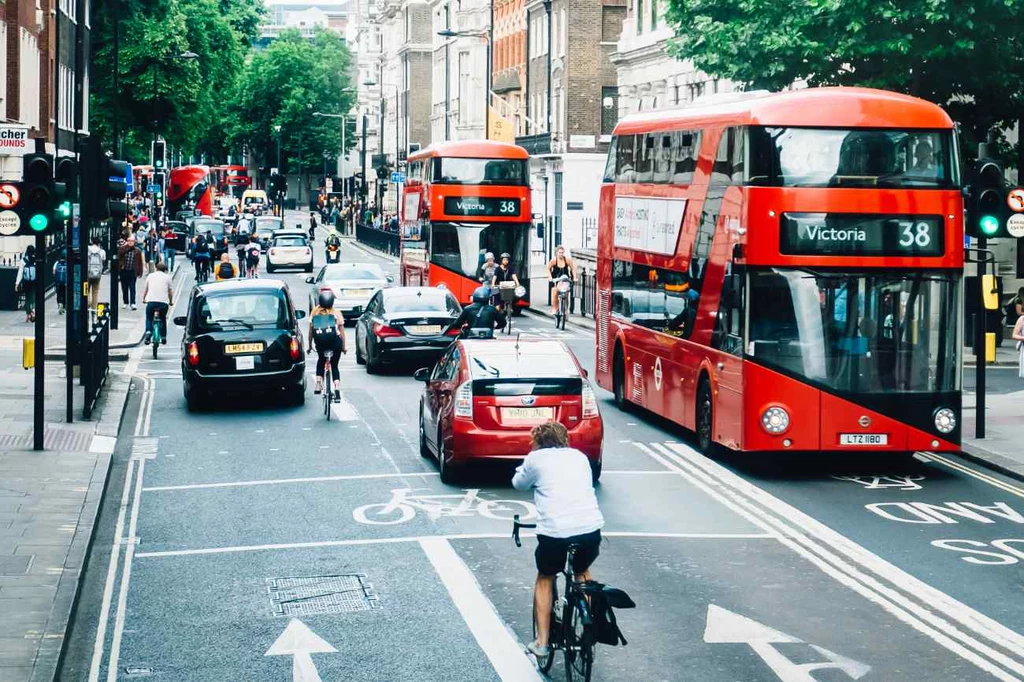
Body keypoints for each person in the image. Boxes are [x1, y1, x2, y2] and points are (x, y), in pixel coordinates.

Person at [512, 421, 604, 659]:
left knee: (545, 576)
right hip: (590, 529)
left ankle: (542, 642)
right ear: (565, 439)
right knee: (582, 570)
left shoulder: (536, 459)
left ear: (537, 442)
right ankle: (590, 623)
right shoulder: (580, 457)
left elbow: (518, 484)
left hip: (554, 533)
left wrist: (527, 465)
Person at [308, 290, 347, 398]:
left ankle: (319, 383)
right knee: (334, 365)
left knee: (321, 361)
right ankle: (337, 387)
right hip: (335, 343)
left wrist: (309, 346)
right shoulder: (336, 313)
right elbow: (342, 332)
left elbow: (311, 332)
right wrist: (343, 347)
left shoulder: (314, 313)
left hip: (321, 344)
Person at [142, 262, 174, 345]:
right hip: (163, 304)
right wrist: (170, 301)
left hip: (151, 302)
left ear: (156, 268)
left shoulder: (150, 276)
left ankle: (148, 332)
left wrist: (144, 299)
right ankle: (163, 337)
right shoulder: (168, 277)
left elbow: (146, 289)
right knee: (163, 318)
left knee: (149, 317)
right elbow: (170, 292)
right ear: (165, 270)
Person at [546, 246, 576, 315]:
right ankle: (555, 309)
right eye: (560, 252)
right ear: (556, 253)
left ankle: (566, 309)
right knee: (555, 292)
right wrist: (550, 277)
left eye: (562, 252)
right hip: (556, 279)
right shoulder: (554, 260)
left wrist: (574, 277)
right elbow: (548, 268)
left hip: (565, 279)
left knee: (566, 294)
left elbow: (573, 268)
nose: (561, 254)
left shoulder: (567, 260)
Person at [117, 238, 143, 310]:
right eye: (129, 241)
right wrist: (119, 269)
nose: (130, 242)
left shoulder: (138, 251)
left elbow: (140, 262)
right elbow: (118, 259)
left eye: (132, 241)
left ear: (134, 242)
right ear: (127, 242)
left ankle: (133, 303)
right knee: (124, 288)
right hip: (124, 271)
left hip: (132, 272)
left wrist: (140, 272)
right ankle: (125, 302)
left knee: (132, 288)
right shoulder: (122, 249)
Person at [15, 246, 38, 322]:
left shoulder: (23, 260)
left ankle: (28, 313)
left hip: (26, 282)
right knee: (34, 297)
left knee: (27, 298)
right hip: (34, 282)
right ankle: (34, 310)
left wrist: (17, 283)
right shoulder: (36, 259)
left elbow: (20, 273)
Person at [87, 236, 107, 310]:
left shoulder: (87, 249)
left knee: (86, 290)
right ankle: (94, 308)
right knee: (95, 292)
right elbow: (103, 260)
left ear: (92, 242)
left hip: (88, 273)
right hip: (97, 274)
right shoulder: (102, 251)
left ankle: (87, 302)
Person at [53, 250, 68, 315]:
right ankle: (64, 306)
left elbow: (54, 272)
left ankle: (59, 304)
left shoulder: (57, 263)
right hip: (65, 282)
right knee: (65, 293)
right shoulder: (67, 263)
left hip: (58, 282)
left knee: (59, 294)